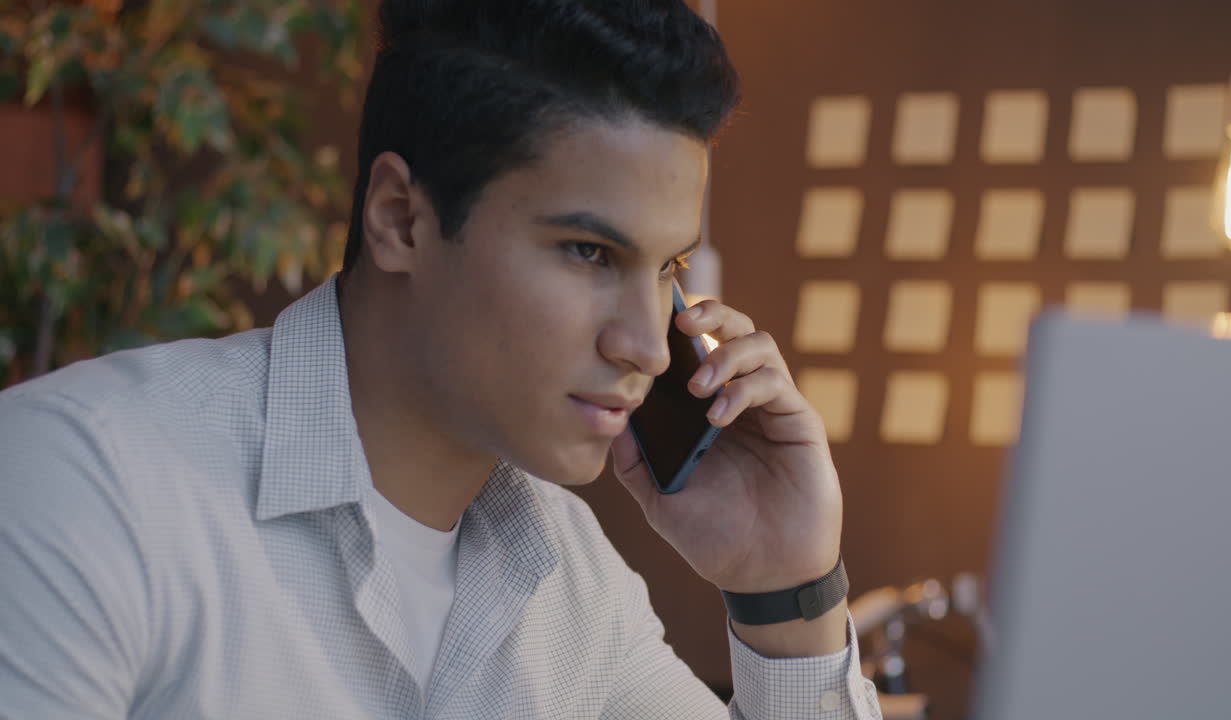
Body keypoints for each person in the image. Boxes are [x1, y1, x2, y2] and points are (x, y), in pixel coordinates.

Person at [0, 1, 883, 718]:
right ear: (400, 219)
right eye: (588, 252)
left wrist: (785, 588)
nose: (650, 346)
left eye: (667, 269)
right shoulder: (83, 482)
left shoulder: (572, 583)